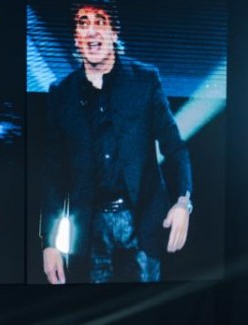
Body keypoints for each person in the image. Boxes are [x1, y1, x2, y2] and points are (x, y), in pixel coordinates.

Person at [42, 0, 193, 284]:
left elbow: (175, 148)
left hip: (143, 221)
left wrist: (183, 202)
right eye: (83, 23)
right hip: (90, 228)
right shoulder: (61, 93)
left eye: (100, 22)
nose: (92, 31)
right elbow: (54, 174)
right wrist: (49, 243)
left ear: (114, 32)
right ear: (76, 37)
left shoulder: (145, 80)